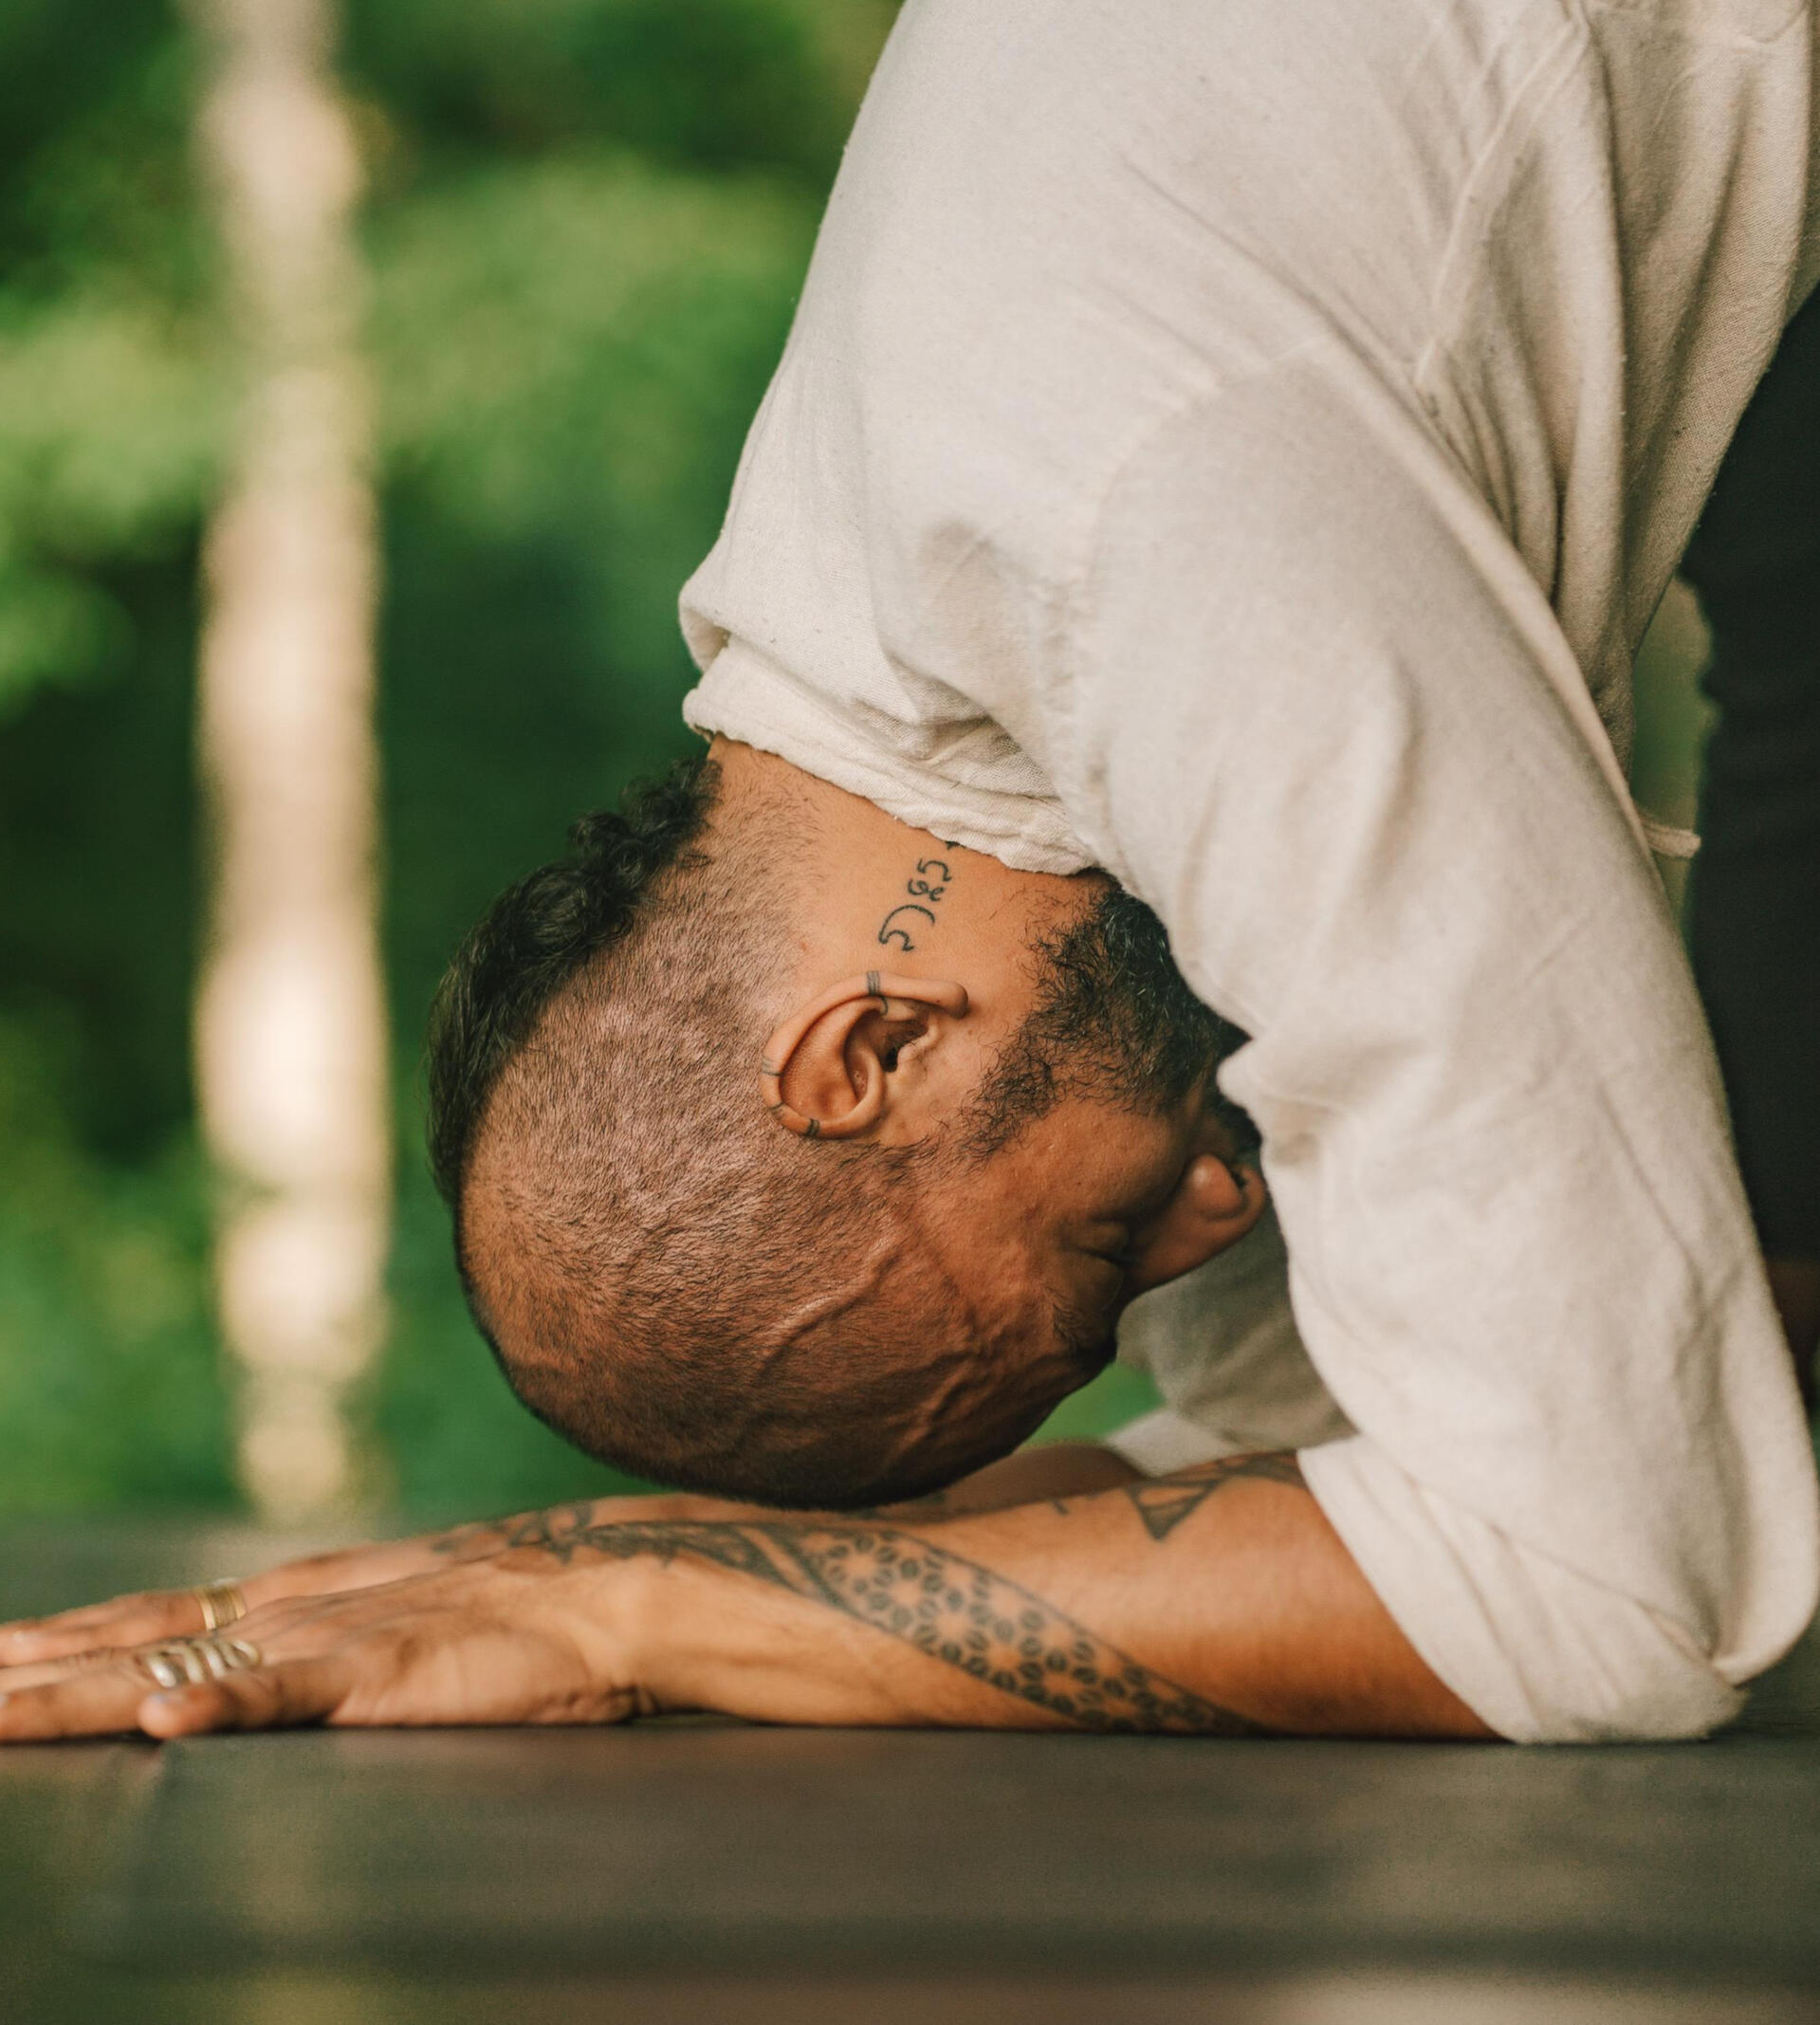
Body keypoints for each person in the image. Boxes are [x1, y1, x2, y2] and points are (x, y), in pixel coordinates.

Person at [2, 0, 1816, 1748]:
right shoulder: (890, 608)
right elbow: (1363, 1430)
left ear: (865, 1049)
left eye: (1104, 1244)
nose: (1220, 1213)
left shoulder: (1160, 553)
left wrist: (640, 1621)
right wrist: (632, 1546)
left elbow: (1608, 1582)